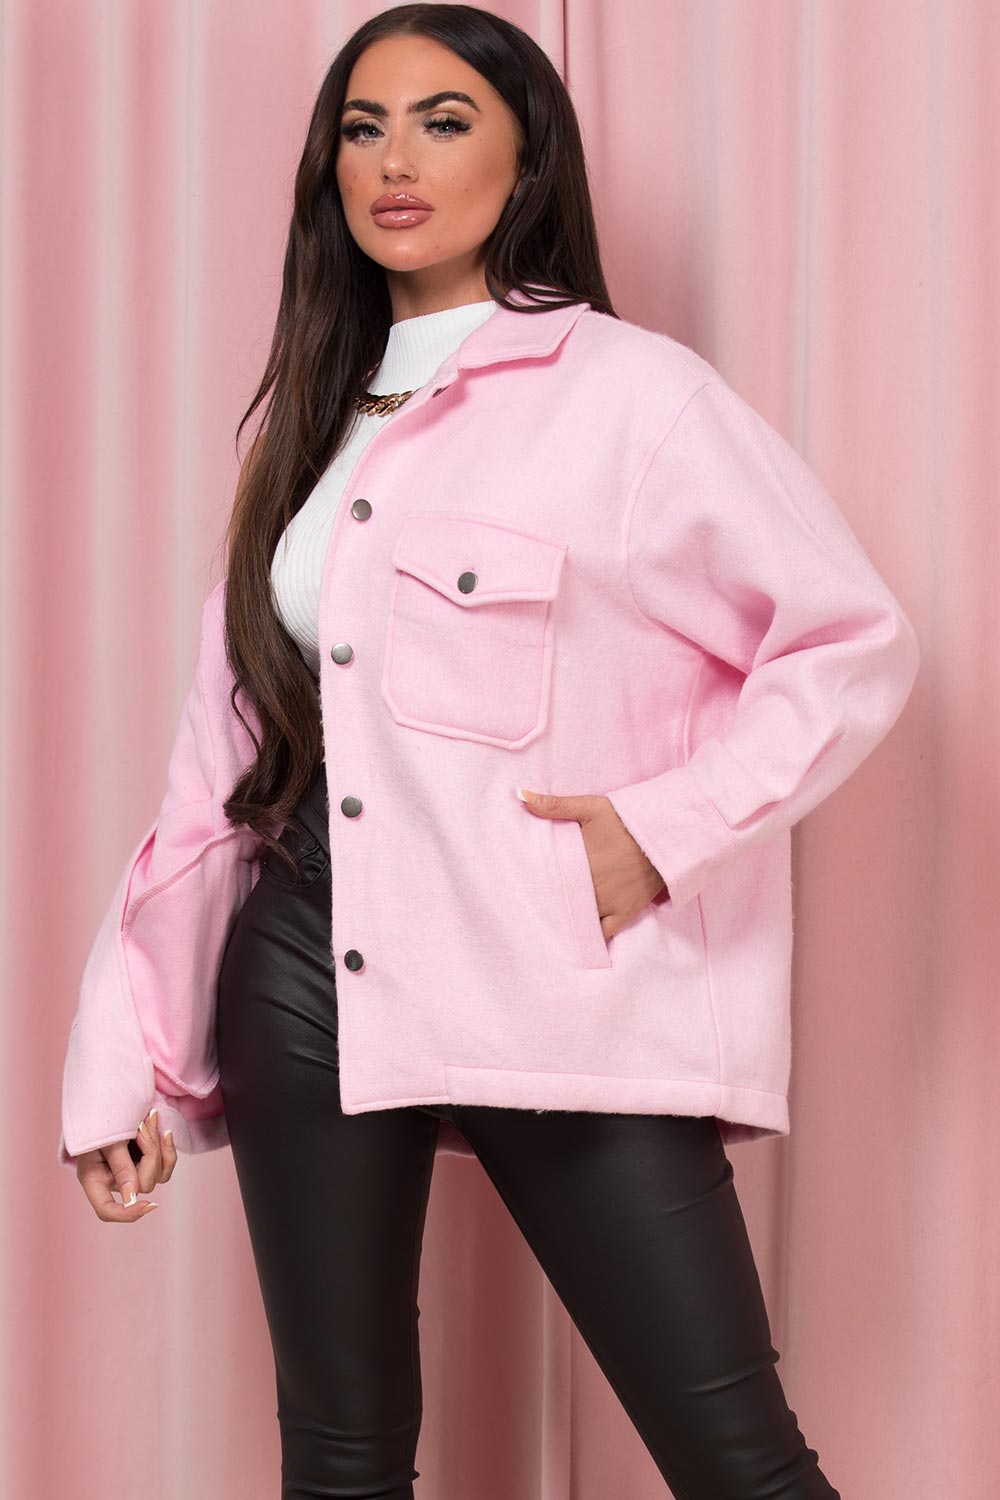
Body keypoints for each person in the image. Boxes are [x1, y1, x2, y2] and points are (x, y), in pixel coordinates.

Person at [58, 5, 920, 1497]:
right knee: (339, 1463)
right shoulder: (314, 424)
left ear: (527, 163)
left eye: (444, 121)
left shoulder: (633, 397)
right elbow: (217, 778)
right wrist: (123, 1058)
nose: (394, 160)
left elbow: (849, 642)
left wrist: (659, 831)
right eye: (363, 127)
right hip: (302, 965)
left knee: (742, 1466)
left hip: (551, 967)